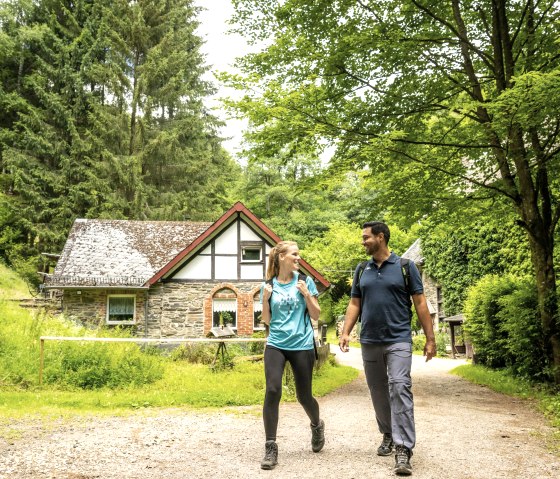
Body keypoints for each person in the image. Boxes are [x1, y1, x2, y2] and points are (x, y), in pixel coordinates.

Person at [339, 222, 436, 476]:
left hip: (399, 339)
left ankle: (404, 448)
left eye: (366, 237)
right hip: (369, 340)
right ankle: (388, 434)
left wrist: (430, 338)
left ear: (381, 237)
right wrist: (346, 331)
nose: (363, 242)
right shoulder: (362, 269)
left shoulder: (406, 267)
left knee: (400, 386)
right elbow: (354, 303)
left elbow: (420, 303)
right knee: (378, 391)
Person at [259, 240, 324, 470]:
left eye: (299, 254)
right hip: (276, 343)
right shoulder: (268, 285)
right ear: (281, 258)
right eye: (294, 254)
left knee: (304, 396)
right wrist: (265, 300)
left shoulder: (305, 281)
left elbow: (316, 315)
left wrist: (307, 295)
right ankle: (270, 446)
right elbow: (266, 320)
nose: (298, 258)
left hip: (302, 344)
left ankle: (316, 425)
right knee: (273, 389)